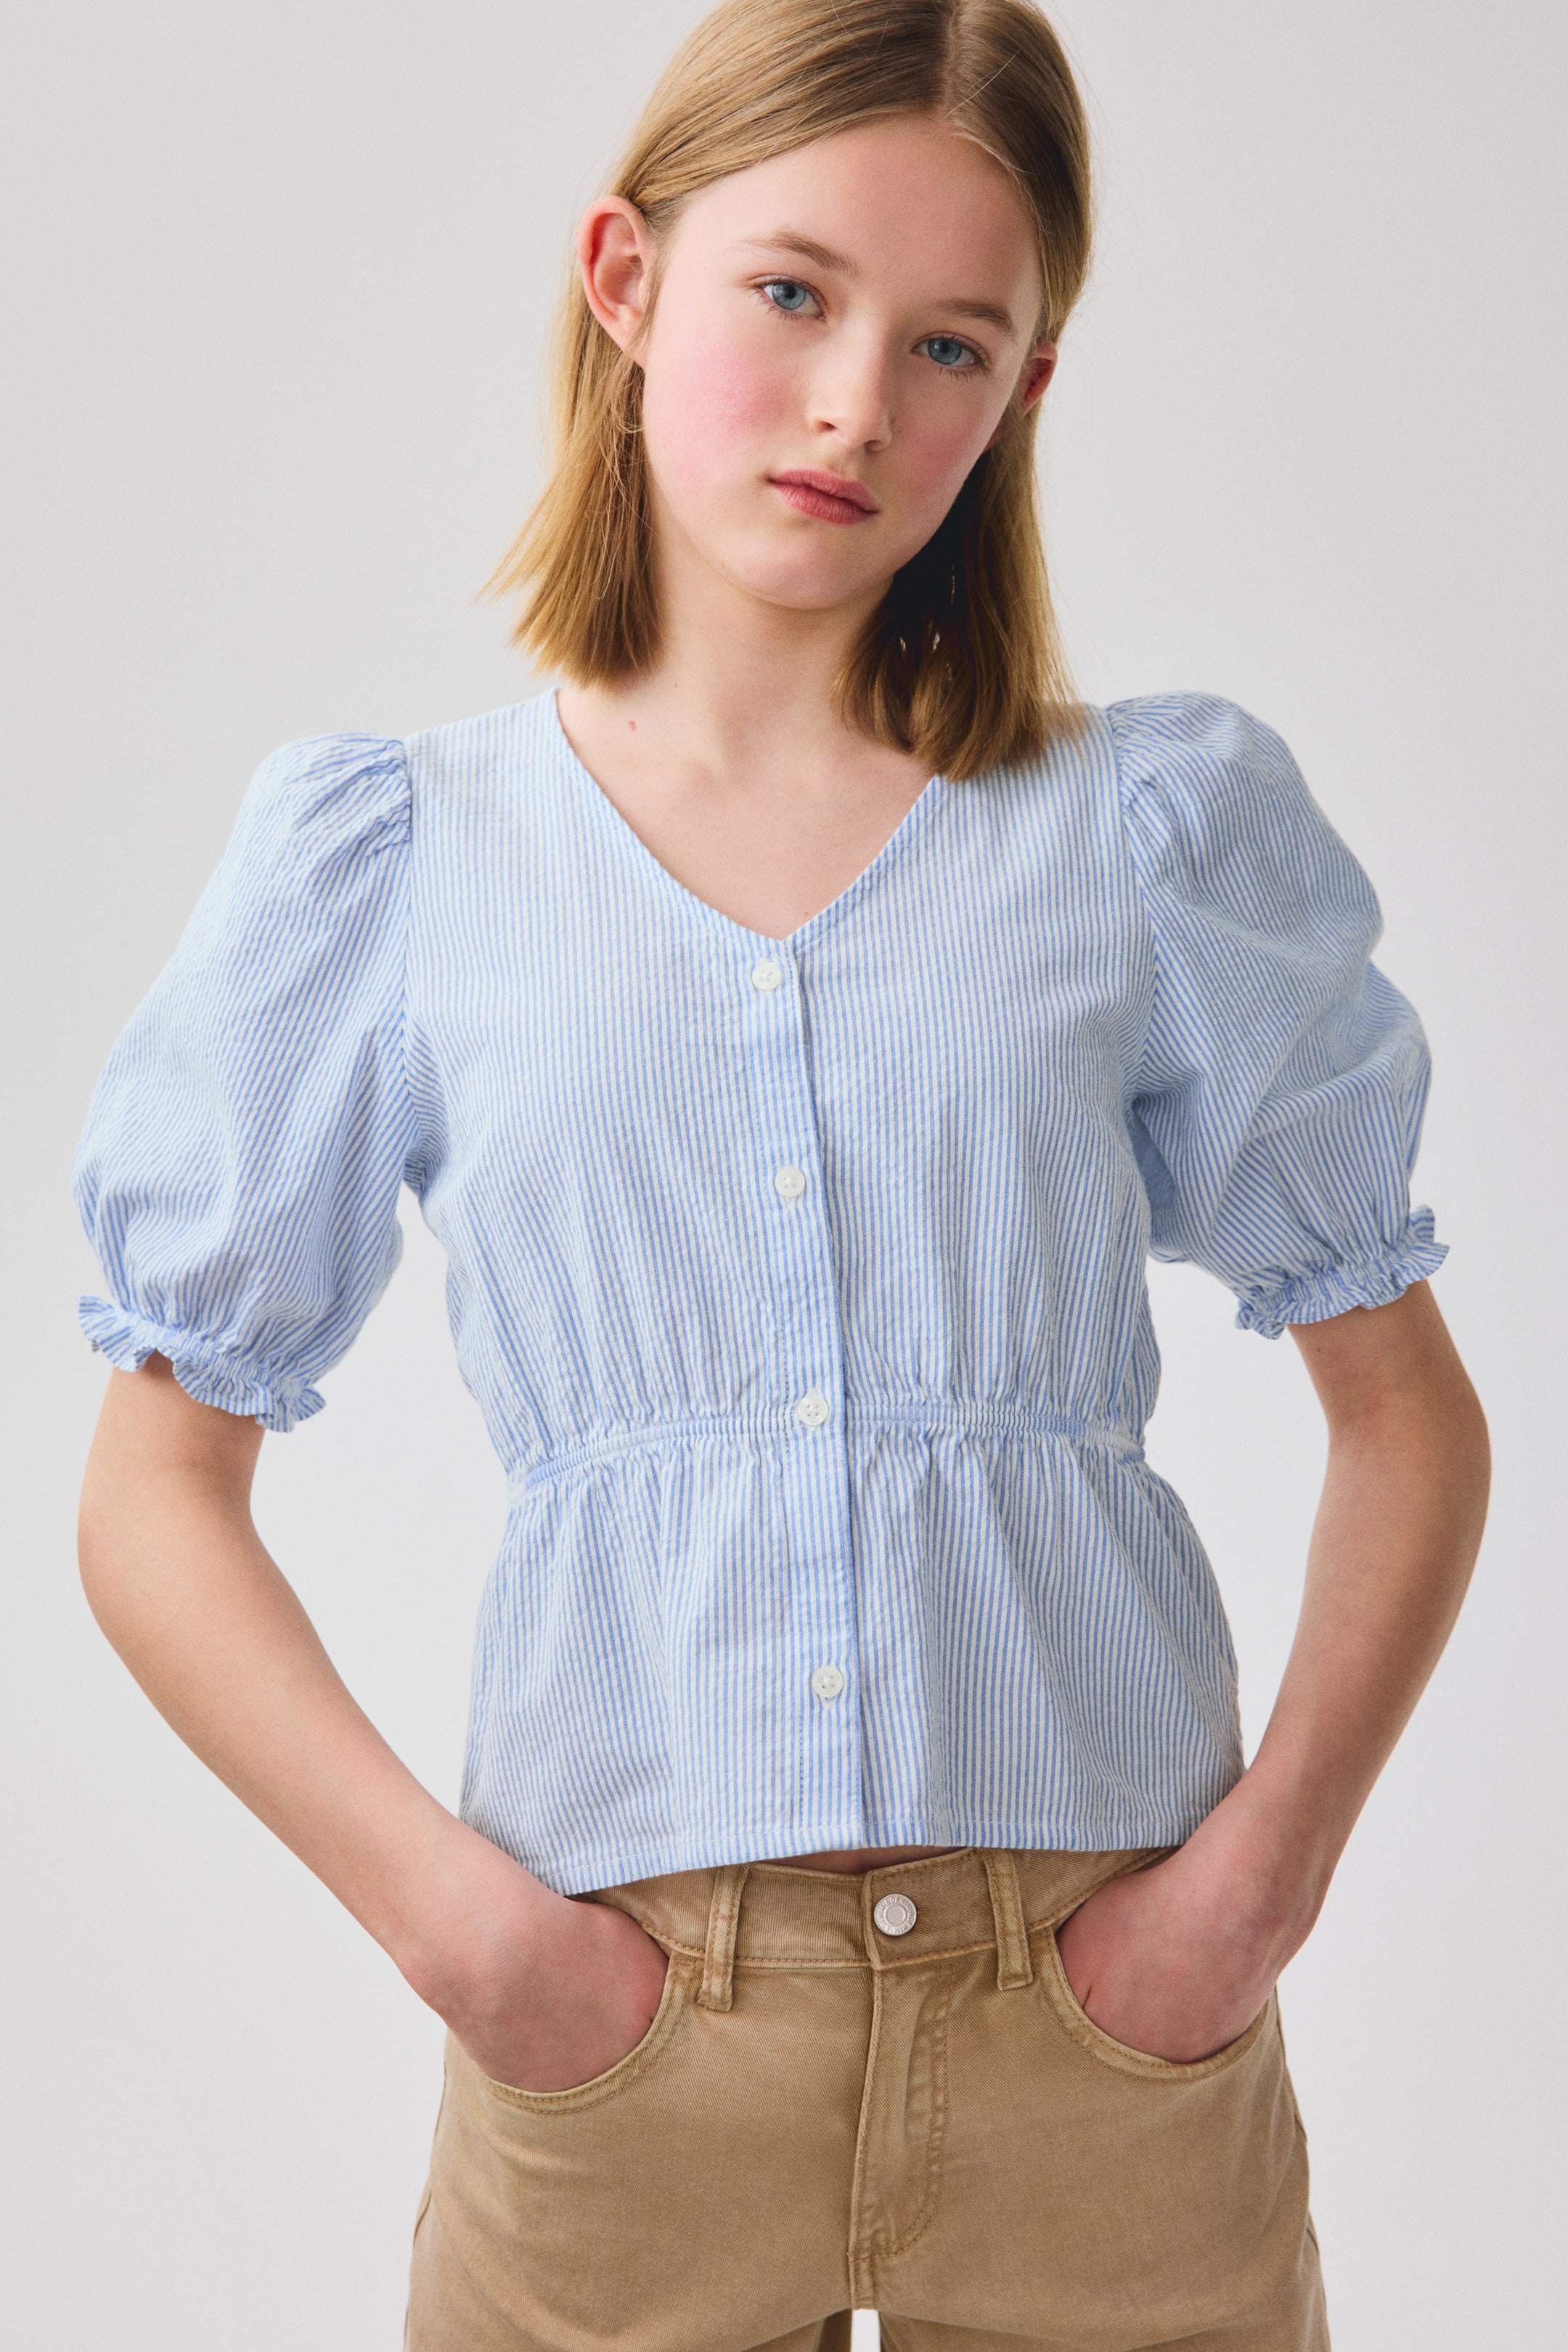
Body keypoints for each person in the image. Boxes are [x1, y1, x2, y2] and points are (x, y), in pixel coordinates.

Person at [71, 2, 1490, 2345]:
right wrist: (465, 1936)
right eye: (794, 293)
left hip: (1107, 2042)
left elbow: (1405, 1411)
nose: (858, 405)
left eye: (950, 344)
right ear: (625, 279)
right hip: (619, 2050)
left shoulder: (1145, 834)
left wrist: (1255, 1890)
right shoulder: (398, 859)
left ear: (1024, 393)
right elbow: (154, 1489)